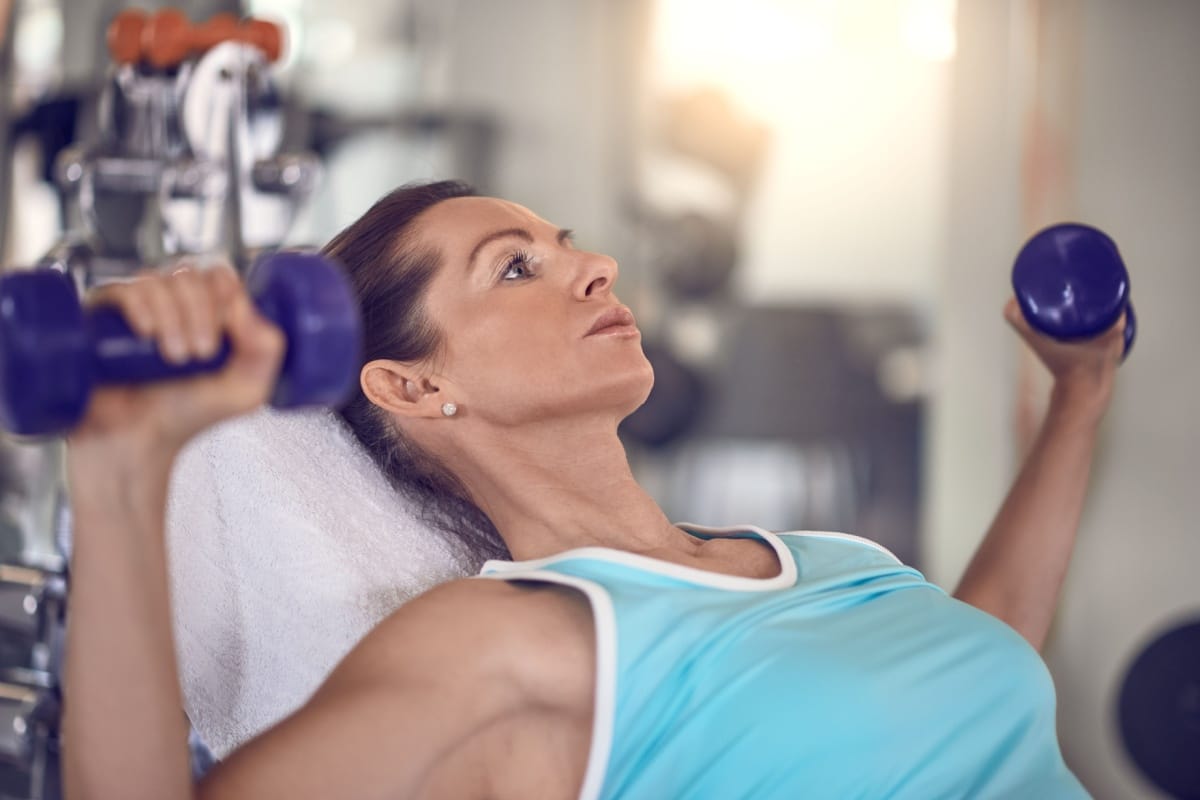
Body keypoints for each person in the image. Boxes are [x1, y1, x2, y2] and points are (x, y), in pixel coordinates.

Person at [63, 180, 1121, 799]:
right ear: (411, 382)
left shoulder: (833, 557)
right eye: (515, 267)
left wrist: (1081, 393)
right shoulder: (514, 642)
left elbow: (989, 661)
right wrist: (118, 473)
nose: (599, 265)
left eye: (566, 244)